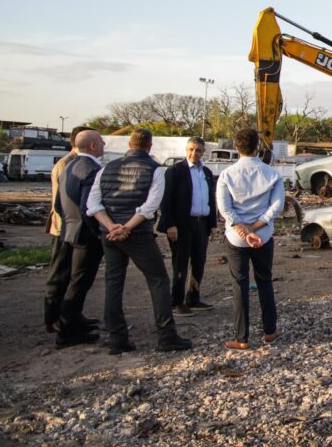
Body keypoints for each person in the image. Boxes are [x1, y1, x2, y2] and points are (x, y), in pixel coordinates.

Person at [86, 129, 192, 355]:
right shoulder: (154, 170)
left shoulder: (106, 169)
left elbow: (93, 204)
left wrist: (111, 226)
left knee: (113, 282)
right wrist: (127, 227)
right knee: (159, 280)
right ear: (149, 146)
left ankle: (116, 338)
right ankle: (166, 335)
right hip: (138, 234)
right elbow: (150, 206)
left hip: (110, 234)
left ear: (129, 144)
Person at [216, 127, 284, 350]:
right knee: (265, 281)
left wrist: (243, 230)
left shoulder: (226, 175)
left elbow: (224, 208)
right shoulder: (272, 174)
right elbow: (278, 206)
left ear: (236, 148)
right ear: (257, 147)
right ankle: (270, 331)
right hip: (263, 236)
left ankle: (241, 338)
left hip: (236, 238)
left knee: (239, 284)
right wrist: (255, 227)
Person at [53, 130, 106, 347]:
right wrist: (97, 231)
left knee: (75, 280)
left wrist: (69, 224)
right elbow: (89, 207)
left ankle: (75, 320)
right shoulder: (93, 170)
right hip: (86, 235)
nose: (104, 143)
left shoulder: (68, 166)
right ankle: (67, 331)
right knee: (80, 282)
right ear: (93, 146)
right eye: (101, 141)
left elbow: (58, 204)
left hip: (70, 231)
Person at [43, 126, 97, 333]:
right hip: (65, 229)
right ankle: (53, 318)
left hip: (70, 228)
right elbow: (61, 203)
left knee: (73, 276)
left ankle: (71, 315)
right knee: (60, 275)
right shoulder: (66, 164)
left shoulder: (76, 163)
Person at [159, 137, 218, 316]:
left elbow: (210, 199)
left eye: (198, 150)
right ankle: (176, 301)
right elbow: (166, 199)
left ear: (203, 152)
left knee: (199, 261)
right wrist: (170, 224)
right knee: (180, 262)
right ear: (186, 150)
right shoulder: (175, 171)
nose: (194, 153)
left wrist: (212, 224)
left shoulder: (206, 172)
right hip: (182, 225)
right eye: (191, 149)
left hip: (201, 223)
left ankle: (193, 297)